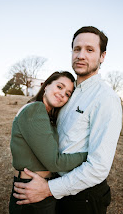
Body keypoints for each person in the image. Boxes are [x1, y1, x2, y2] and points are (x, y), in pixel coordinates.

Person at [13, 26, 122, 214]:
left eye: (90, 50)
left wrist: (49, 189)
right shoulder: (69, 95)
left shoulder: (105, 98)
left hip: (82, 198)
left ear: (102, 56)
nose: (81, 55)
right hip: (57, 188)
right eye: (76, 49)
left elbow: (98, 168)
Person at [9, 71, 88, 214]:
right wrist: (87, 156)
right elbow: (54, 162)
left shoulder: (45, 115)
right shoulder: (35, 109)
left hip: (40, 187)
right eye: (59, 86)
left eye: (68, 93)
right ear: (46, 86)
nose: (62, 94)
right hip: (32, 190)